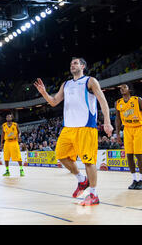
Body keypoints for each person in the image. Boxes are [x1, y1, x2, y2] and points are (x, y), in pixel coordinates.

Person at [34, 57, 113, 206]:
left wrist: (107, 121)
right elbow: (54, 102)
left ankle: (94, 195)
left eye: (75, 63)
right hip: (68, 128)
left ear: (83, 66)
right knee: (61, 156)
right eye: (71, 64)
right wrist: (44, 93)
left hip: (85, 127)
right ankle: (82, 180)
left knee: (88, 161)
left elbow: (102, 101)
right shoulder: (66, 84)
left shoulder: (90, 81)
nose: (72, 65)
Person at [115, 83, 142, 190]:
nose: (122, 89)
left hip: (139, 128)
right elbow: (118, 119)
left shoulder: (137, 100)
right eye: (120, 88)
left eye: (124, 87)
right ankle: (134, 179)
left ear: (129, 89)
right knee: (129, 155)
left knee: (139, 154)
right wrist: (117, 134)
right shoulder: (118, 103)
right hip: (127, 129)